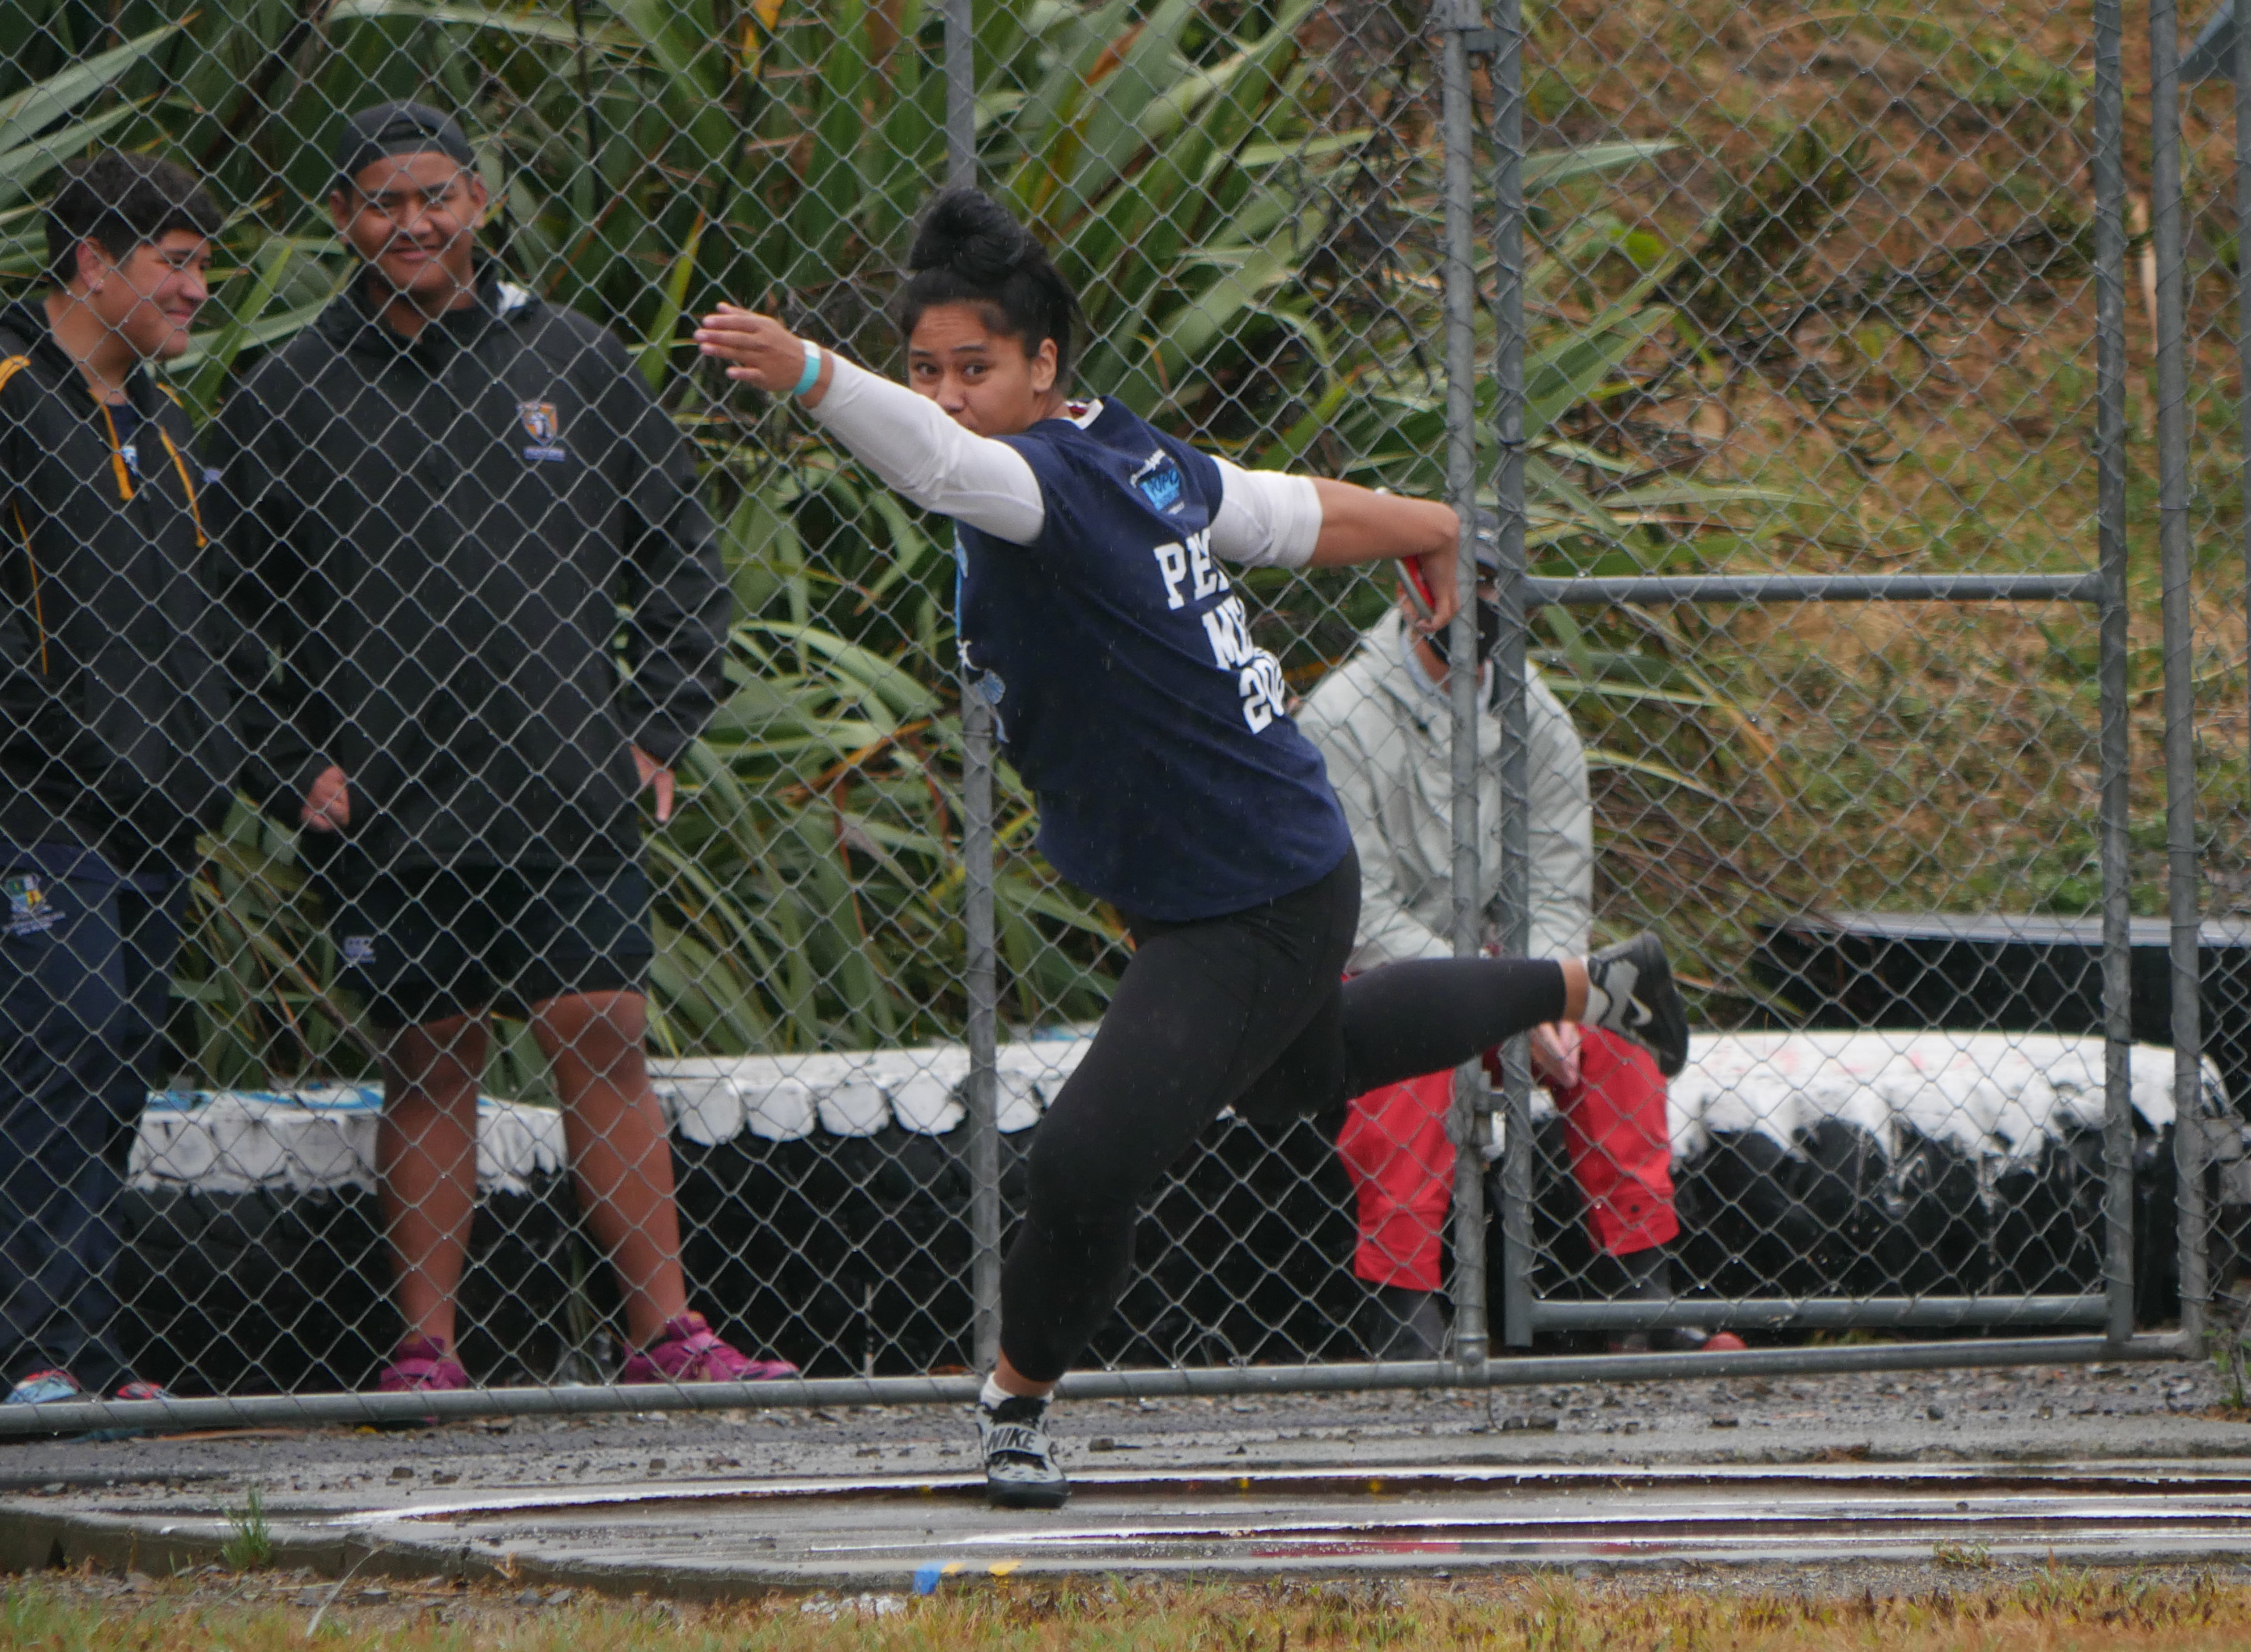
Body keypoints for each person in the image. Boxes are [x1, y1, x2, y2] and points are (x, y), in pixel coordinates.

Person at [694, 188, 1690, 1509]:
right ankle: (1589, 983)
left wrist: (811, 371)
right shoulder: (1128, 457)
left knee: (1086, 1157)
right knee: (1304, 1072)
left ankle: (1015, 1404)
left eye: (974, 368)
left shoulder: (1045, 476)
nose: (946, 396)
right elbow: (1280, 514)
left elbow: (944, 467)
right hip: (1240, 864)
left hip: (1254, 889)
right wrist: (1432, 522)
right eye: (923, 369)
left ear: (1045, 366)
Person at [213, 100, 794, 1395]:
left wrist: (654, 728)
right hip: (389, 804)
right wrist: (289, 762)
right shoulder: (284, 393)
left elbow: (683, 561)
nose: (411, 222)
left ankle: (666, 1336)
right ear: (341, 218)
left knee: (602, 1027)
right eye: (382, 200)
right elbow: (221, 613)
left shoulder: (574, 360)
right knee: (430, 1052)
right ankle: (426, 1348)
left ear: (479, 201)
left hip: (562, 787)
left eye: (436, 195)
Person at [0, 152, 236, 1410]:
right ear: (92, 261)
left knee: (120, 1053)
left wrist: (203, 765)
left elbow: (200, 625)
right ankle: (22, 1353)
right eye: (174, 262)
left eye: (202, 264)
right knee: (64, 1032)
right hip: (10, 805)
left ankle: (88, 1348)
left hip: (145, 816)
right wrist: (84, 750)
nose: (197, 288)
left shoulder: (164, 424)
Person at [1297, 575, 1737, 1358]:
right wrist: (1492, 999)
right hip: (1381, 978)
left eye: (1496, 585)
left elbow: (1559, 892)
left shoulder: (1540, 717)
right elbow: (1358, 923)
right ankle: (1403, 1313)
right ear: (1408, 593)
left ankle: (1643, 1297)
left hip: (1511, 978)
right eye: (1459, 584)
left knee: (1617, 1017)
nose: (1480, 605)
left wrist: (1547, 999)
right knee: (1411, 1038)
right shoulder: (1339, 717)